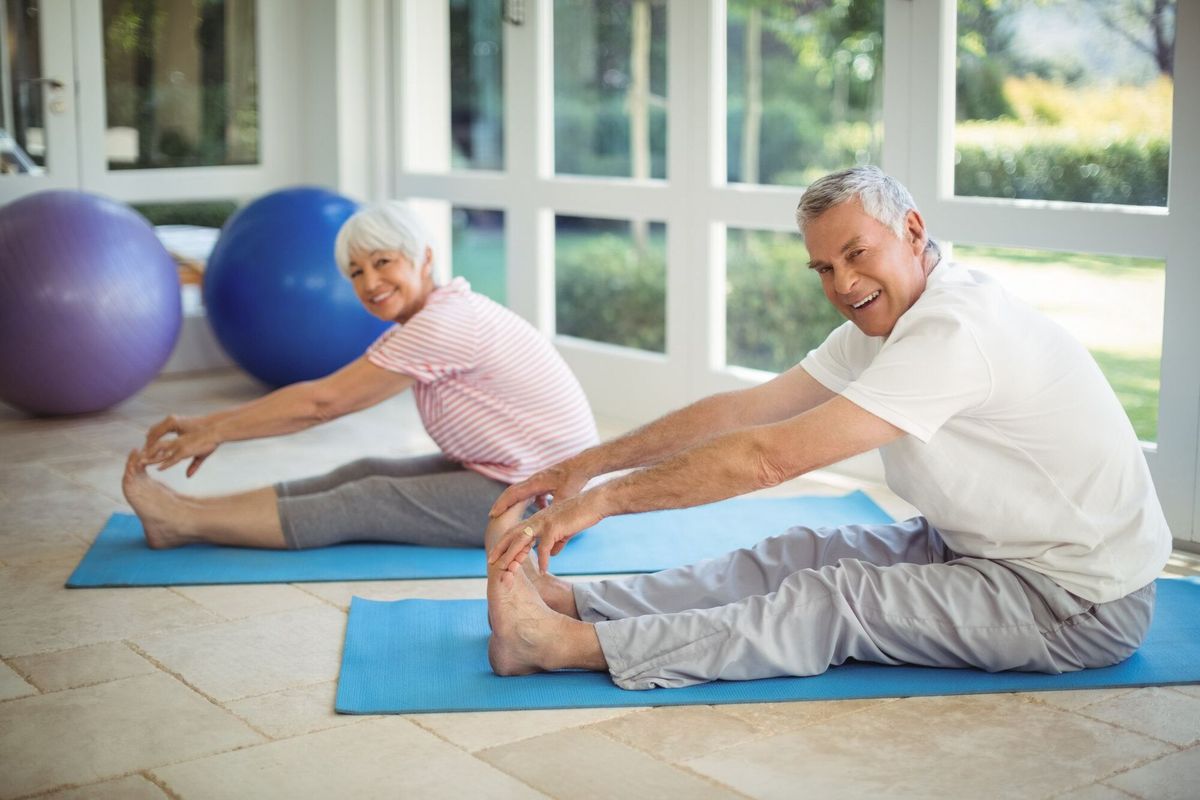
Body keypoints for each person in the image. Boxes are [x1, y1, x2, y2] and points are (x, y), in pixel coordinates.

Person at [483, 166, 1172, 690]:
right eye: (824, 268)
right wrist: (591, 463)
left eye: (856, 254)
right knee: (800, 554)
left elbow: (765, 459)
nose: (842, 284)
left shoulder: (956, 331)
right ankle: (579, 602)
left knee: (833, 602)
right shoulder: (884, 320)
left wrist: (604, 500)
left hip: (1075, 595)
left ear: (911, 230)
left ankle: (562, 646)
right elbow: (744, 413)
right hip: (979, 549)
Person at [122, 200, 597, 551]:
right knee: (363, 470)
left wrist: (212, 429)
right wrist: (213, 428)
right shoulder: (444, 311)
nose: (370, 283)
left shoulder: (442, 324)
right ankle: (192, 512)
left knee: (367, 498)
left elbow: (322, 403)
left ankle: (182, 521)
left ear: (424, 259)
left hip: (544, 503)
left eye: (383, 262)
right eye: (355, 271)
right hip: (523, 478)